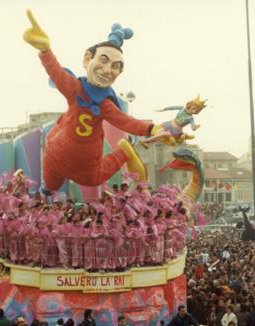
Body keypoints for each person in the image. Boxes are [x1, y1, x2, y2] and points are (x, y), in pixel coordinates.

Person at [23, 10, 171, 191]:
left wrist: (152, 128)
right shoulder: (75, 89)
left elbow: (126, 122)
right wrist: (45, 50)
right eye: (104, 60)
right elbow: (56, 72)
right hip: (55, 154)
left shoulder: (105, 104)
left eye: (116, 67)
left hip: (84, 166)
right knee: (51, 184)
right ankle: (48, 188)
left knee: (94, 179)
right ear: (87, 59)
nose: (108, 70)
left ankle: (124, 151)